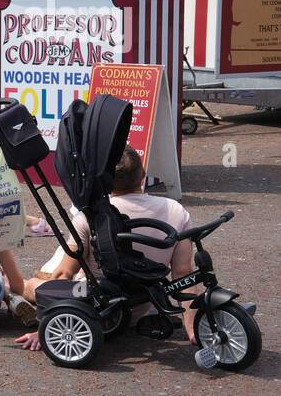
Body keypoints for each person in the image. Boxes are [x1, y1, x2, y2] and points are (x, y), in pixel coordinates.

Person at [17, 146, 198, 349]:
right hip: (142, 303)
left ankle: (5, 287)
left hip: (94, 305)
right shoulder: (177, 211)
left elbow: (63, 278)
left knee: (34, 283)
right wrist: (192, 328)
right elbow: (183, 274)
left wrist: (50, 327)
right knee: (72, 250)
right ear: (143, 175)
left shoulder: (90, 217)